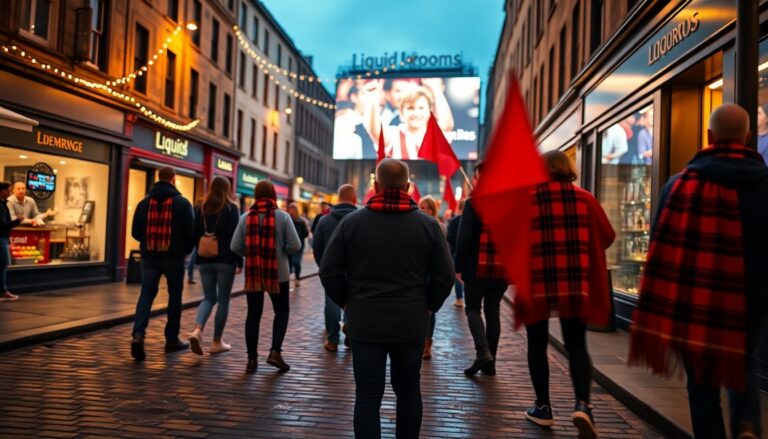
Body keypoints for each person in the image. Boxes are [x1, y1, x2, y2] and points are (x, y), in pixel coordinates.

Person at [629, 104, 767, 439]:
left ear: (708, 136)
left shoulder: (677, 185)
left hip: (695, 298)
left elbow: (659, 243)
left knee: (702, 384)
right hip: (751, 298)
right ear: (748, 138)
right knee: (743, 362)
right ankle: (746, 423)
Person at [320, 159, 454, 438]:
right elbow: (444, 276)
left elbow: (329, 270)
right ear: (407, 186)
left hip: (365, 322)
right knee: (408, 390)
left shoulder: (352, 223)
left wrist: (346, 301)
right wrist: (429, 305)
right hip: (410, 323)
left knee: (367, 395)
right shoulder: (428, 226)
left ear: (375, 185)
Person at [520, 151, 615, 439]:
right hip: (575, 283)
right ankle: (583, 405)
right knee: (576, 345)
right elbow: (608, 236)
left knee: (536, 343)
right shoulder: (585, 199)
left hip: (537, 282)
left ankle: (543, 407)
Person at [231, 181, 301, 373]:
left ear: (255, 195)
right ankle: (275, 352)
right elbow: (295, 245)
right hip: (279, 273)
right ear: (273, 195)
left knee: (253, 313)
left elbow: (234, 246)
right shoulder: (283, 217)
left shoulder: (246, 217)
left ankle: (251, 360)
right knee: (282, 311)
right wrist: (281, 251)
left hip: (254, 273)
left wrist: (253, 254)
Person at [130, 167, 195, 361]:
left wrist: (148, 241)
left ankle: (138, 334)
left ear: (158, 179)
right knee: (174, 296)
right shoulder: (182, 204)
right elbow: (190, 234)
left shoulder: (144, 203)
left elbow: (135, 232)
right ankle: (171, 340)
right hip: (174, 258)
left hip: (149, 257)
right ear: (173, 179)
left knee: (146, 294)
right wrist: (184, 251)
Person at [454, 162, 511, 377]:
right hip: (501, 269)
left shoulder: (474, 203)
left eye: (476, 177)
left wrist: (458, 267)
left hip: (476, 268)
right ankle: (490, 364)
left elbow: (465, 238)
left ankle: (482, 352)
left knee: (472, 309)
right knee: (493, 311)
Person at [188, 177, 243, 355]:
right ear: (227, 189)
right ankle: (217, 341)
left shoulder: (201, 208)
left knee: (208, 297)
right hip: (226, 260)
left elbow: (194, 233)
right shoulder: (231, 208)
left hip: (205, 259)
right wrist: (239, 261)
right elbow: (235, 237)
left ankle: (197, 329)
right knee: (223, 299)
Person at [312, 185, 357, 352]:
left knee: (330, 302)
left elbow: (316, 246)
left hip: (331, 270)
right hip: (355, 272)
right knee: (352, 303)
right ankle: (350, 335)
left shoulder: (324, 220)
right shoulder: (360, 219)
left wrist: (322, 266)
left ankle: (332, 340)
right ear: (354, 200)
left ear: (338, 199)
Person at [418, 195, 445, 360]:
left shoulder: (439, 226)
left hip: (431, 272)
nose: (422, 210)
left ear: (432, 210)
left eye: (425, 207)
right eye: (420, 206)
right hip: (419, 271)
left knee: (430, 308)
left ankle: (427, 343)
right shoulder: (415, 224)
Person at [0, 182, 22, 302]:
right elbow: (3, 224)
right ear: (2, 191)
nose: (10, 193)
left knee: (2, 264)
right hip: (0, 238)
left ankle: (3, 291)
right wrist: (17, 221)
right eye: (8, 190)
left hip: (3, 237)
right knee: (3, 263)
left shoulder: (4, 203)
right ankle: (3, 291)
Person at [445, 199, 465, 308]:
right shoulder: (476, 220)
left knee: (458, 275)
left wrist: (453, 248)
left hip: (456, 252)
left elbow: (449, 237)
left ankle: (459, 299)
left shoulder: (454, 221)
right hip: (470, 254)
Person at [287, 203, 308, 288]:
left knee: (296, 262)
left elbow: (306, 233)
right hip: (289, 245)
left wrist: (298, 237)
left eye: (293, 209)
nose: (291, 211)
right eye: (290, 209)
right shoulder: (287, 220)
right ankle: (288, 278)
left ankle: (297, 278)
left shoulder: (301, 221)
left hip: (299, 245)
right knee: (289, 262)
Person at [187, 199, 203, 284]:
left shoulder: (194, 208)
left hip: (194, 236)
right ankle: (191, 276)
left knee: (194, 256)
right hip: (200, 237)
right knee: (195, 256)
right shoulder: (201, 209)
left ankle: (190, 276)